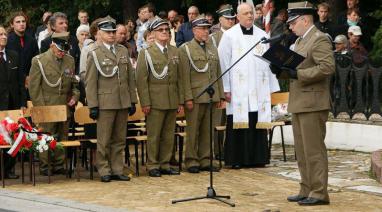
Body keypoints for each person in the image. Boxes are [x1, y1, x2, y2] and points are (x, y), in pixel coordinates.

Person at [271, 1, 335, 206]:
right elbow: (294, 69)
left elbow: (326, 68)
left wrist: (298, 73)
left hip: (313, 102)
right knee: (302, 149)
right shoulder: (299, 42)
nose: (290, 26)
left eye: (293, 22)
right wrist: (278, 68)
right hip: (299, 102)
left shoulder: (319, 39)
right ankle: (306, 188)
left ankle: (319, 192)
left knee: (314, 149)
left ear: (305, 20)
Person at [218, 3, 280, 169]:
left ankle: (257, 158)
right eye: (246, 13)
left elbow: (268, 62)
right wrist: (226, 88)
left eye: (251, 13)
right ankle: (237, 158)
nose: (250, 16)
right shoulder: (229, 36)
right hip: (238, 89)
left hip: (258, 86)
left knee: (256, 120)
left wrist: (271, 87)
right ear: (237, 17)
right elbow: (223, 63)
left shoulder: (262, 35)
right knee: (240, 121)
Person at [85, 16, 138, 182]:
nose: (112, 34)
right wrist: (92, 105)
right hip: (105, 103)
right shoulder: (95, 53)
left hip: (122, 101)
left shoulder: (122, 50)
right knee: (104, 139)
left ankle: (117, 168)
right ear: (99, 33)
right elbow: (91, 82)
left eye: (113, 31)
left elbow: (130, 78)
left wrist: (132, 100)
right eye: (108, 32)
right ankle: (104, 169)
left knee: (119, 139)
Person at [136, 18, 183, 177]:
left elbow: (179, 79)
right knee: (154, 135)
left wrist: (180, 100)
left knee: (169, 135)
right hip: (155, 100)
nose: (164, 32)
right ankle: (153, 164)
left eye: (166, 30)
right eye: (161, 30)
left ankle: (165, 163)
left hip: (171, 99)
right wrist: (145, 102)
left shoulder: (175, 51)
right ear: (153, 34)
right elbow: (141, 81)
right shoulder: (146, 53)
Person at [29, 32, 80, 176]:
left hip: (64, 104)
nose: (62, 53)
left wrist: (75, 97)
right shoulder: (38, 60)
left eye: (64, 50)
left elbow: (74, 83)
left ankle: (59, 164)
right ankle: (45, 166)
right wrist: (42, 108)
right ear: (52, 46)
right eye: (59, 50)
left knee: (63, 135)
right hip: (46, 103)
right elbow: (34, 87)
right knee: (46, 136)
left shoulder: (69, 60)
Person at [179, 15, 225, 173]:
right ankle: (191, 160)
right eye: (203, 29)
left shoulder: (212, 47)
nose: (206, 32)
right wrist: (187, 98)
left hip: (211, 95)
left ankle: (206, 158)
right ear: (194, 30)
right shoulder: (185, 49)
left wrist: (220, 95)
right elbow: (184, 77)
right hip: (196, 96)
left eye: (207, 28)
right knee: (193, 130)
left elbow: (217, 73)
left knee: (208, 129)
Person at [209, 4, 236, 160]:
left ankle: (231, 150)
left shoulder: (239, 36)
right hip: (220, 84)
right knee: (218, 120)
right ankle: (218, 151)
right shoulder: (214, 38)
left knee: (233, 121)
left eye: (232, 18)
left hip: (237, 84)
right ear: (220, 20)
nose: (231, 21)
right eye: (227, 18)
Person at [0, 25, 26, 179]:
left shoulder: (13, 55)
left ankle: (9, 168)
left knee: (13, 136)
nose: (4, 36)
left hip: (13, 104)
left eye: (5, 34)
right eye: (1, 34)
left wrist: (22, 102)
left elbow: (20, 82)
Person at [6, 11, 39, 89]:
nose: (21, 24)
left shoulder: (32, 41)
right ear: (12, 25)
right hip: (13, 82)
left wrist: (30, 76)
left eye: (23, 21)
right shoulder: (7, 41)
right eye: (18, 22)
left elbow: (36, 60)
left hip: (30, 80)